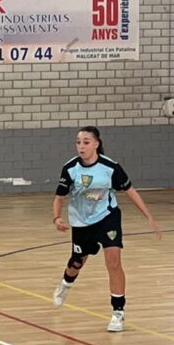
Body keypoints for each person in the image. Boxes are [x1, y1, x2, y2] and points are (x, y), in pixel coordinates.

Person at [52, 125, 162, 331]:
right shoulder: (70, 169)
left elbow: (130, 191)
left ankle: (118, 312)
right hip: (81, 222)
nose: (81, 146)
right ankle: (66, 283)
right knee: (76, 263)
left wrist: (149, 216)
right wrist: (56, 218)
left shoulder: (110, 167)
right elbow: (59, 197)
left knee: (113, 262)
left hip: (107, 217)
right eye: (78, 142)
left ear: (96, 144)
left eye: (86, 142)